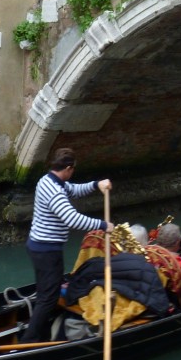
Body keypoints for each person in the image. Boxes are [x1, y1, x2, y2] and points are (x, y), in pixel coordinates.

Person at [19, 147, 114, 343]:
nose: (72, 175)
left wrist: (97, 184)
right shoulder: (54, 190)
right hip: (46, 250)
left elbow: (74, 189)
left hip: (39, 246)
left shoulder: (50, 181)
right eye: (73, 170)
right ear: (68, 168)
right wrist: (103, 226)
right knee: (49, 297)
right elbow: (73, 219)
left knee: (45, 292)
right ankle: (29, 341)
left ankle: (42, 331)